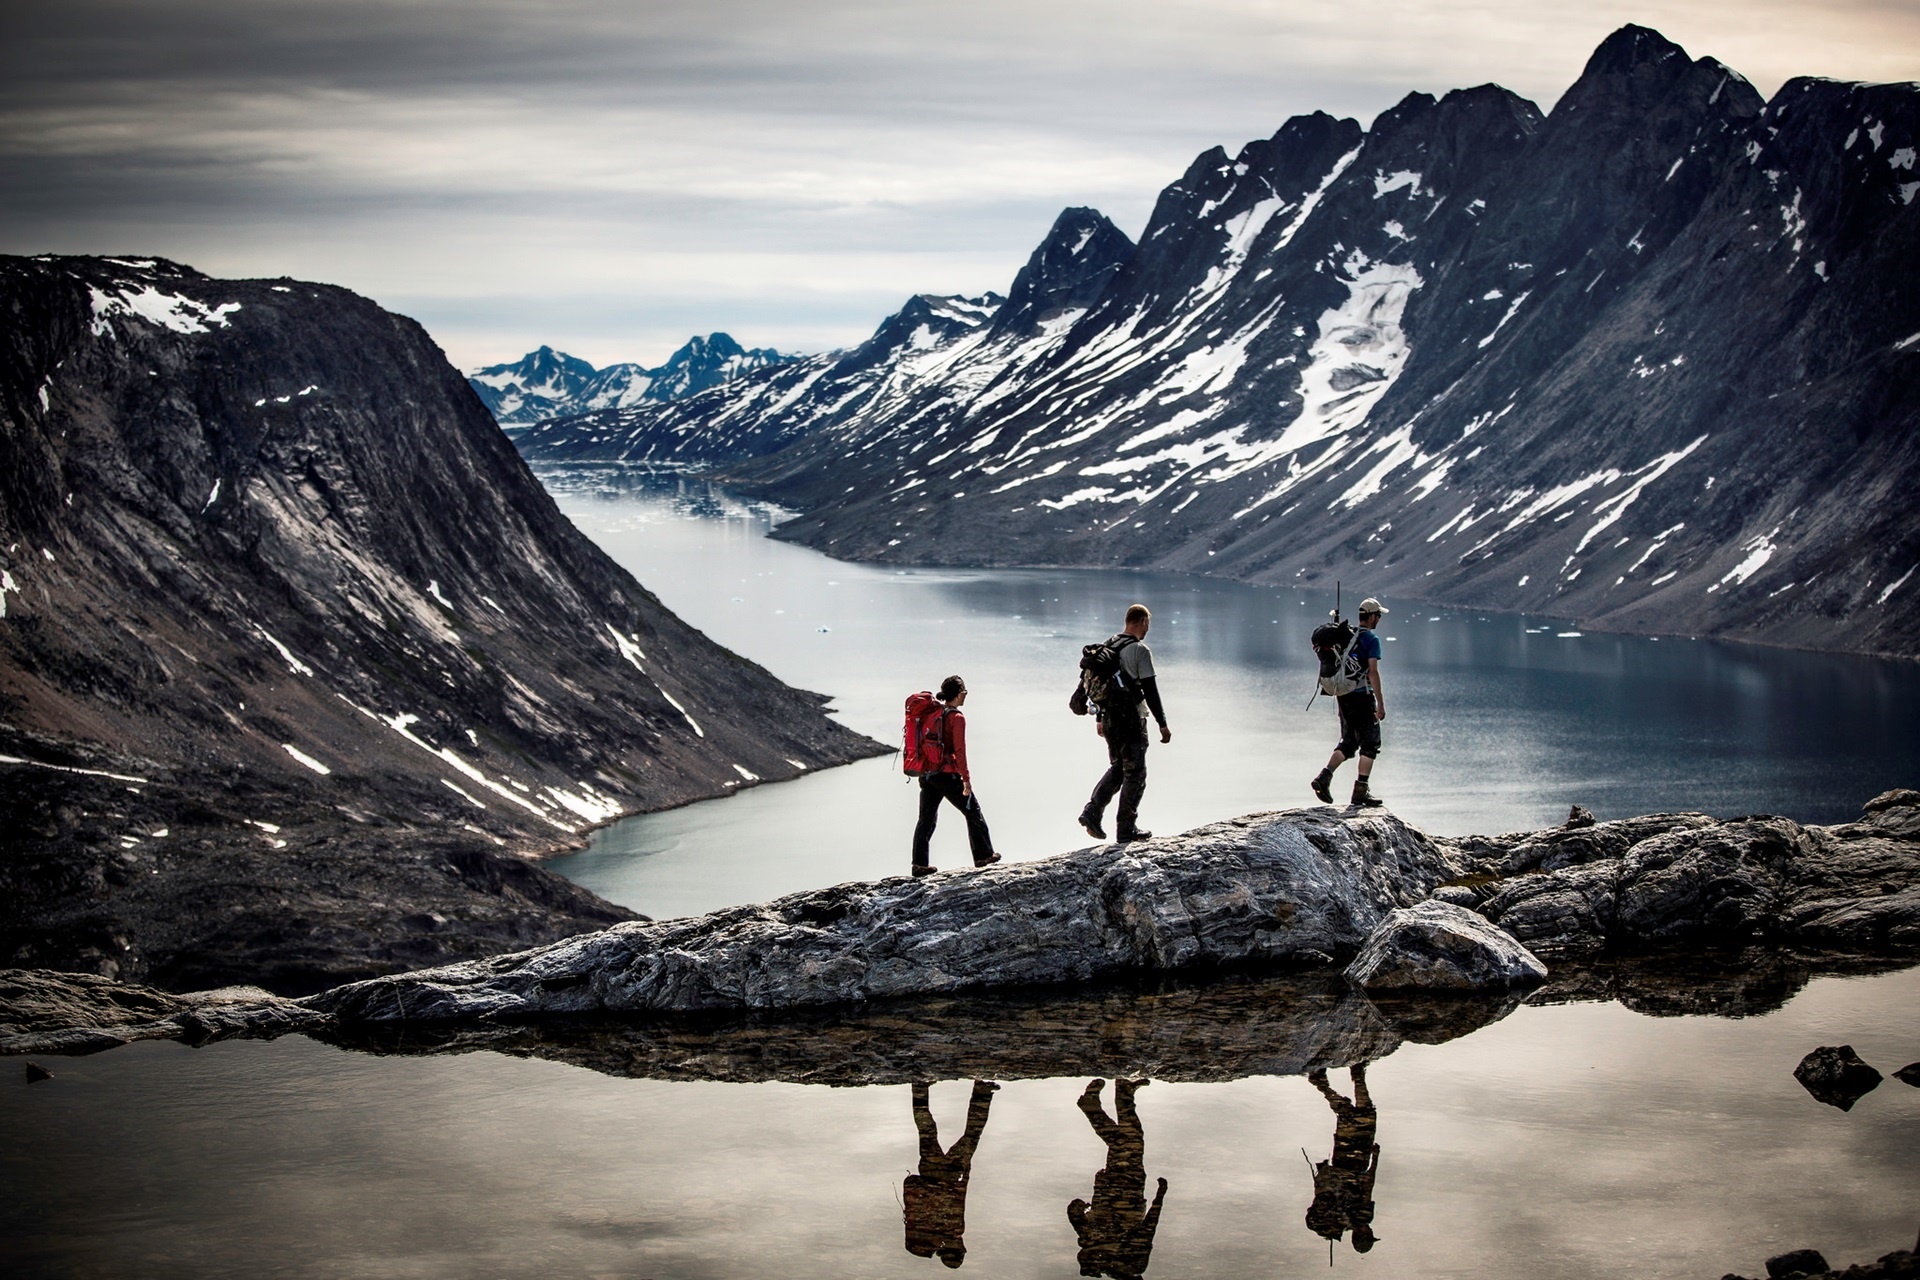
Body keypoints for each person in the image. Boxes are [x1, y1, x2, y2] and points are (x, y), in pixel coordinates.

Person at [1078, 604, 1171, 843]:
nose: (1148, 628)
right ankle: (1126, 829)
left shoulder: (1108, 645)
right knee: (1136, 772)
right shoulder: (1139, 650)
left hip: (1109, 719)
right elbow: (1150, 689)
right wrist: (1162, 723)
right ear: (1141, 622)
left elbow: (1104, 686)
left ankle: (1092, 812)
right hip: (1131, 719)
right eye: (1148, 623)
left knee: (1119, 768)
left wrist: (1099, 718)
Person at [1068, 1078, 1169, 1279]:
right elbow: (1079, 1224)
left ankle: (1117, 1094)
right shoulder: (1102, 1259)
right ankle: (1102, 1102)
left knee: (1130, 1141)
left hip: (1127, 1193)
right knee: (1122, 1142)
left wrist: (1160, 1198)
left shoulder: (1134, 1265)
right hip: (1111, 1194)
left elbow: (1148, 1229)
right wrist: (1077, 1209)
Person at [903, 1079, 1000, 1268]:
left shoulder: (954, 1229)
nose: (962, 1244)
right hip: (928, 1172)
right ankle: (919, 1088)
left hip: (950, 1172)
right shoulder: (932, 1235)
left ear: (955, 1248)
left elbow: (959, 1199)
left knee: (972, 1134)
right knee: (926, 1131)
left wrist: (967, 1172)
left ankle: (983, 1091)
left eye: (961, 1248)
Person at [912, 675, 1001, 876]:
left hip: (927, 774)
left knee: (925, 819)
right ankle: (984, 855)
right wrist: (966, 780)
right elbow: (960, 751)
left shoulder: (933, 714)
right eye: (965, 693)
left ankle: (919, 864)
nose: (966, 696)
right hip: (947, 774)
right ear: (959, 693)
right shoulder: (956, 718)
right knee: (973, 811)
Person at [1309, 597, 1388, 809]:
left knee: (1349, 742)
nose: (1379, 619)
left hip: (1343, 695)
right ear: (1371, 617)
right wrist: (1380, 704)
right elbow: (1372, 672)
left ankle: (1324, 777)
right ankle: (1361, 791)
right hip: (1362, 696)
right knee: (1370, 744)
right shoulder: (1371, 640)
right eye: (1378, 615)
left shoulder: (1346, 637)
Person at [1304, 1064, 1380, 1254]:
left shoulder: (1363, 1217)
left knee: (1365, 1113)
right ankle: (1336, 1080)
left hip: (1357, 1161)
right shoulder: (1343, 1222)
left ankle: (1340, 1080)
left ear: (1366, 1234)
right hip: (1340, 1164)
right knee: (1347, 1117)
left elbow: (1368, 1187)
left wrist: (1375, 1159)